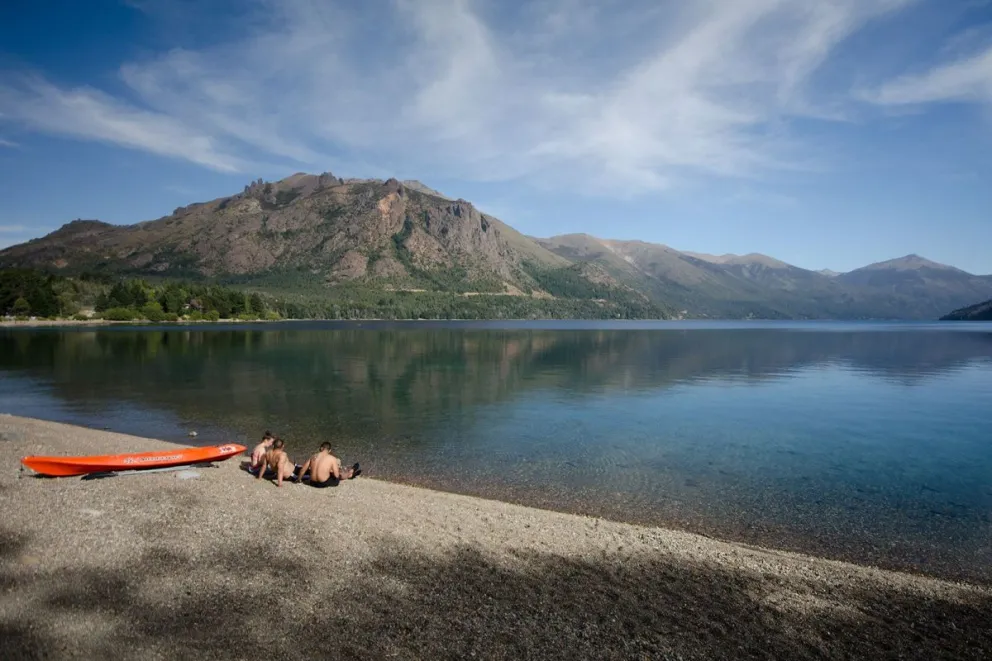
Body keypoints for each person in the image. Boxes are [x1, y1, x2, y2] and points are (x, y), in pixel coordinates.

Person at [297, 442, 361, 488]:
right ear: (329, 450)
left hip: (312, 483)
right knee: (338, 476)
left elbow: (303, 469)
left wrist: (299, 479)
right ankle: (350, 474)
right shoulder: (332, 458)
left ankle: (351, 471)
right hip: (323, 483)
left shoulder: (313, 456)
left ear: (321, 448)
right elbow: (336, 475)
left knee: (329, 471)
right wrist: (331, 471)